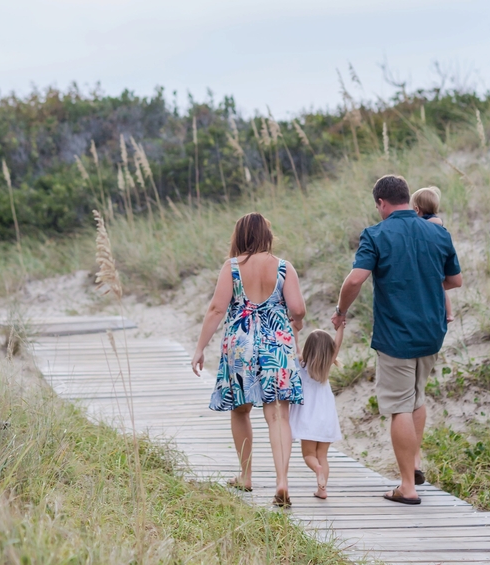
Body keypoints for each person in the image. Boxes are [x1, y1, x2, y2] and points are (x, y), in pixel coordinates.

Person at [331, 174, 462, 506]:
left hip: (396, 336)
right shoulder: (438, 231)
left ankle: (407, 485)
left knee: (399, 406)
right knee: (417, 397)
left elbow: (356, 279)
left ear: (381, 203)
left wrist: (340, 310)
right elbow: (455, 280)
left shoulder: (376, 234)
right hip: (432, 332)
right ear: (408, 198)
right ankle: (415, 463)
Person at [191, 212, 305, 507]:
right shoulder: (283, 267)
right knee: (278, 413)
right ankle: (282, 481)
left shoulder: (232, 268)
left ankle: (246, 475)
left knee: (240, 410)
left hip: (240, 343)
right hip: (276, 343)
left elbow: (217, 309)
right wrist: (296, 321)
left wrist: (200, 348)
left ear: (240, 237)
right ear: (267, 236)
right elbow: (298, 308)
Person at [288, 324, 344, 500]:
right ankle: (322, 489)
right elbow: (337, 345)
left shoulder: (302, 365)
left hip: (308, 419)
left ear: (308, 348)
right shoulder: (327, 366)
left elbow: (293, 344)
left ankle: (316, 469)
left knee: (309, 455)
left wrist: (294, 329)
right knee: (323, 456)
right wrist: (341, 328)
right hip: (326, 418)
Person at [411, 186, 454, 322]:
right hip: (438, 261)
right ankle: (449, 313)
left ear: (417, 209)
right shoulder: (438, 223)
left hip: (430, 262)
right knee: (440, 287)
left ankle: (449, 313)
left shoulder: (425, 224)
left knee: (438, 287)